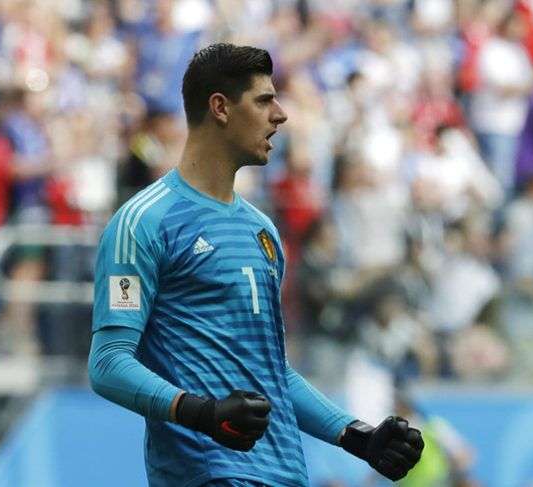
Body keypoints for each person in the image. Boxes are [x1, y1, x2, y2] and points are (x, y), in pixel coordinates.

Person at [89, 43, 424, 486]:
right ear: (220, 108)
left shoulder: (261, 231)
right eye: (265, 100)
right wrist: (203, 413)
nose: (281, 114)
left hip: (285, 473)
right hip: (208, 475)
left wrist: (356, 436)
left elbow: (270, 369)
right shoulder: (143, 222)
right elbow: (108, 363)